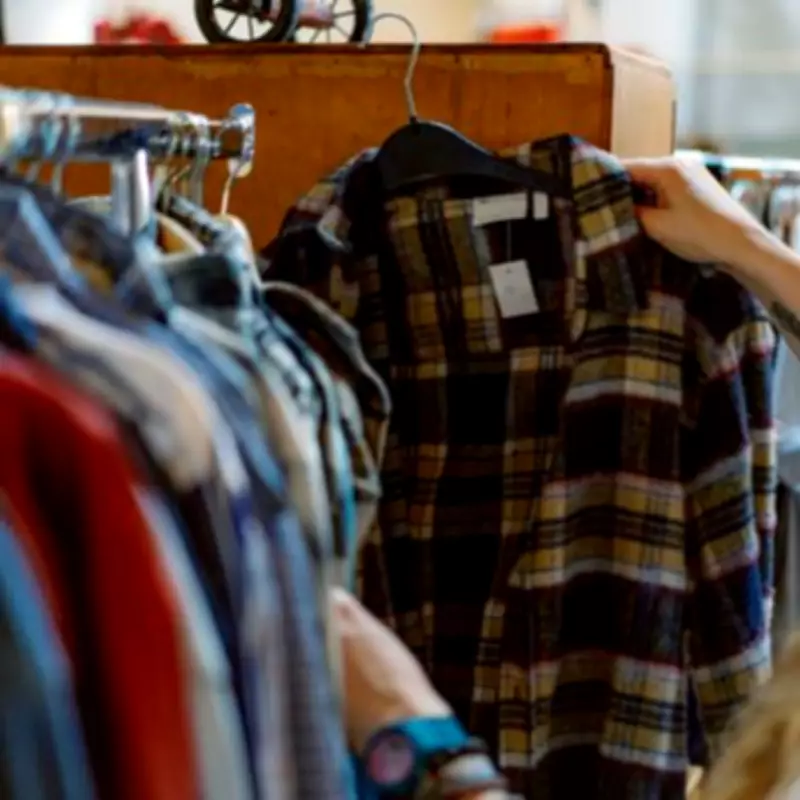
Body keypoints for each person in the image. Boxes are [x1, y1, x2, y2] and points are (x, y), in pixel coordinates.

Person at [337, 156, 800, 800]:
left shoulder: (690, 310)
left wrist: (421, 746)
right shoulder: (298, 295)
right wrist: (747, 246)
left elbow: (736, 669)